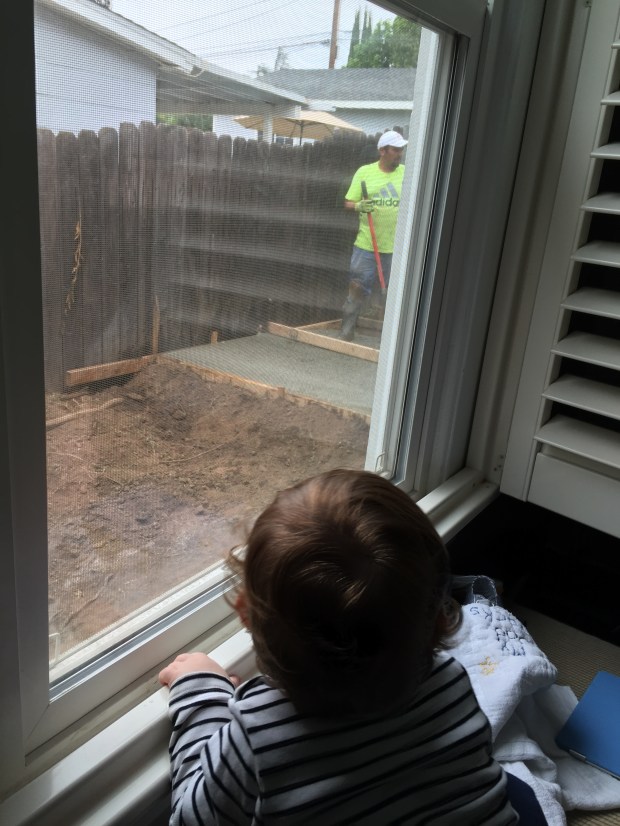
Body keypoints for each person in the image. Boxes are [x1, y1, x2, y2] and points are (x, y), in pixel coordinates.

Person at [159, 469, 525, 825]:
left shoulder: (255, 738)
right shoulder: (450, 681)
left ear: (245, 614)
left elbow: (190, 816)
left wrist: (201, 690)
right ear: (437, 618)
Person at [340, 130, 408, 341]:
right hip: (367, 245)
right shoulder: (365, 173)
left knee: (397, 293)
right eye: (395, 150)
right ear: (382, 151)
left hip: (398, 246)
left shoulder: (408, 173)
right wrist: (359, 205)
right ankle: (347, 331)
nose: (400, 153)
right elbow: (348, 202)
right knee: (358, 288)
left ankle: (392, 339)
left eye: (401, 150)